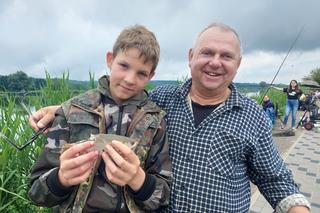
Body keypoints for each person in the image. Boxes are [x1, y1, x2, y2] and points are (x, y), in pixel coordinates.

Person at [29, 23, 311, 212]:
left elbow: (277, 181)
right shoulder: (161, 101)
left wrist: (298, 207)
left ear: (238, 65)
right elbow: (112, 101)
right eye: (207, 52)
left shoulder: (253, 116)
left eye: (226, 56)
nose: (215, 62)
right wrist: (61, 109)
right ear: (190, 57)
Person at [28, 25, 172, 212]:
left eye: (141, 73)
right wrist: (61, 178)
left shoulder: (155, 121)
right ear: (110, 60)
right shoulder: (71, 111)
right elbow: (36, 192)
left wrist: (138, 180)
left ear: (151, 76)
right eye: (124, 66)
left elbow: (163, 196)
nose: (129, 79)